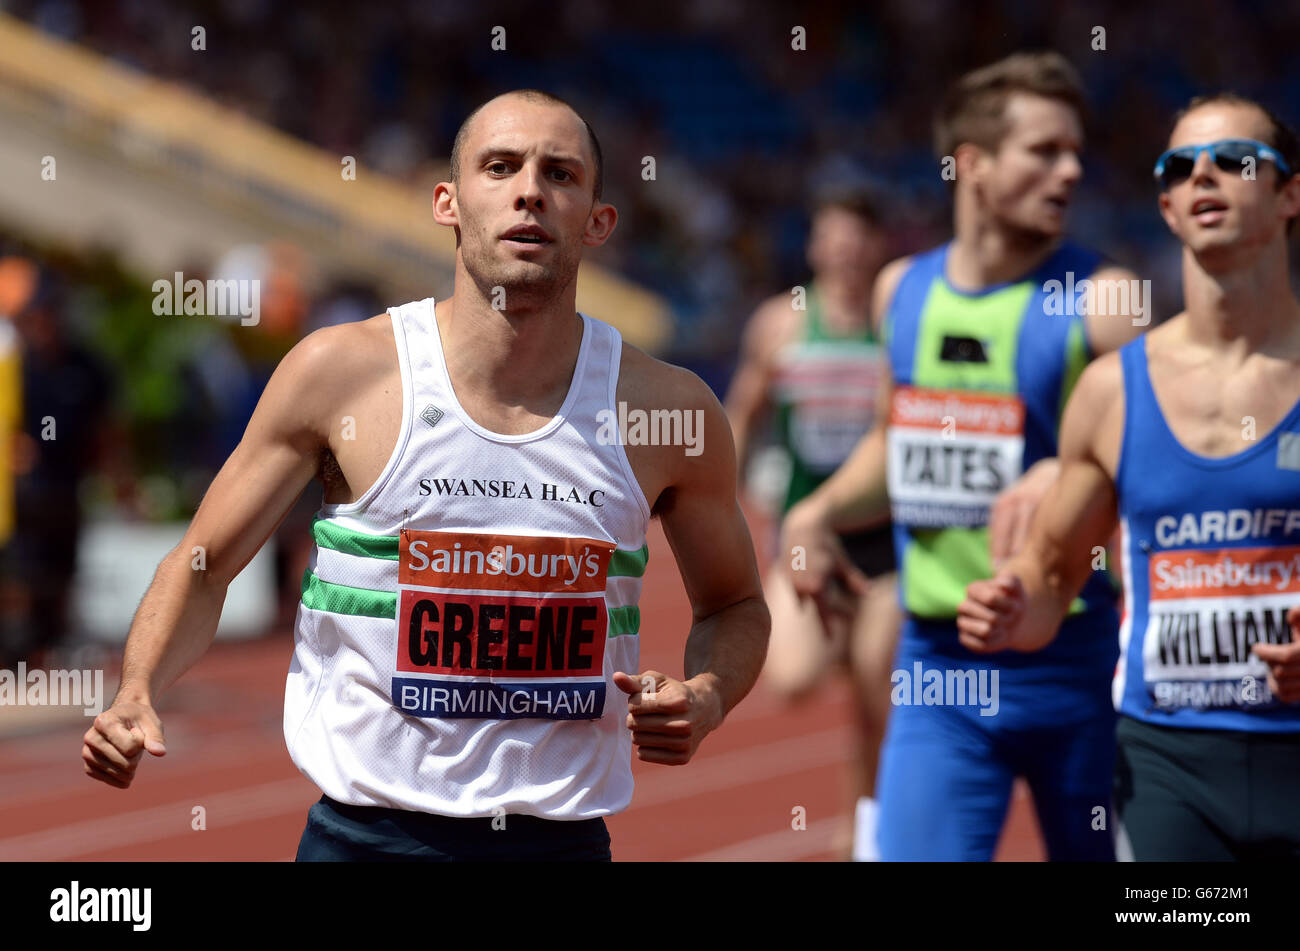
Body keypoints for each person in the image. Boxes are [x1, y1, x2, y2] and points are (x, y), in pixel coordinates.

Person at [81, 89, 770, 862]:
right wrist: (137, 689)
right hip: (366, 841)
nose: (529, 191)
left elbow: (736, 601)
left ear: (598, 221)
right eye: (500, 167)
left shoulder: (666, 409)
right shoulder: (340, 375)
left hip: (559, 843)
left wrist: (707, 695)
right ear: (447, 202)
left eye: (561, 175)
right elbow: (203, 566)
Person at [782, 51, 1146, 861]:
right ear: (972, 165)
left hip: (1079, 668)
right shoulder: (900, 290)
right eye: (1044, 151)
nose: (1071, 171)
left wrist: (1071, 473)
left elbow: (1163, 466)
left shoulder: (1107, 301)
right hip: (938, 671)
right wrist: (818, 509)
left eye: (1076, 152)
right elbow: (895, 438)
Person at [958, 92, 1300, 861]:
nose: (1204, 176)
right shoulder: (1113, 391)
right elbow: (1050, 576)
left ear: (1290, 194)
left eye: (1235, 161)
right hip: (1167, 767)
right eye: (1181, 167)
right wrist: (1014, 604)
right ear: (1169, 207)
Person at [724, 187, 900, 860]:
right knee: (793, 676)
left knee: (874, 687)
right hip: (805, 532)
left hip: (884, 534)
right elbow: (742, 409)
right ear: (816, 246)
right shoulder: (782, 324)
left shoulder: (896, 325)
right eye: (835, 238)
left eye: (860, 240)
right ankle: (851, 652)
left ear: (878, 248)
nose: (847, 252)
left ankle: (861, 827)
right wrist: (725, 492)